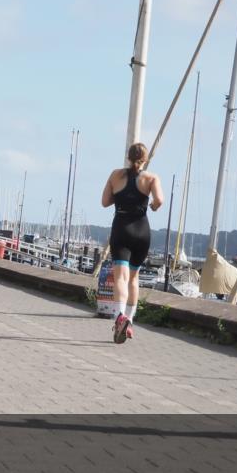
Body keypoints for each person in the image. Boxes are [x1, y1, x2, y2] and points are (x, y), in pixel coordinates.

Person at [100, 142, 164, 344]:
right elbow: (159, 200)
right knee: (133, 279)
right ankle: (129, 321)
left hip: (121, 228)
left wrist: (122, 197)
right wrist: (152, 206)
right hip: (141, 231)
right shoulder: (151, 178)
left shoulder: (115, 175)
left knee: (120, 277)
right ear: (145, 159)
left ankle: (120, 317)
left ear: (128, 157)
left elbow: (105, 202)